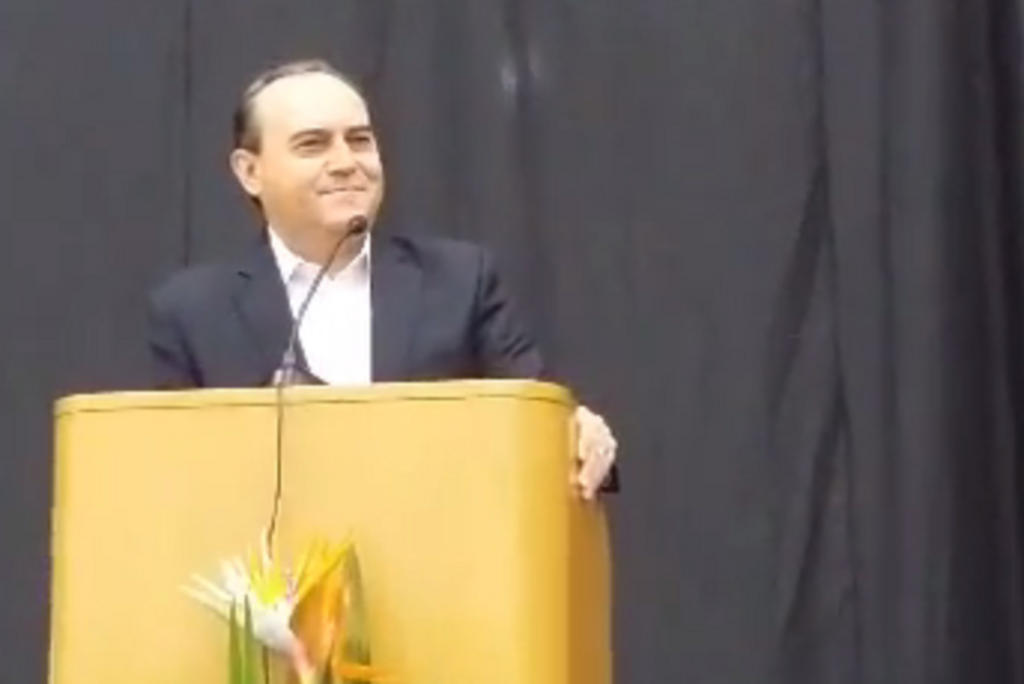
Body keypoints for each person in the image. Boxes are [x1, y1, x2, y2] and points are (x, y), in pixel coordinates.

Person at [147, 59, 616, 498]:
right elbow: (172, 483)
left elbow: (537, 426)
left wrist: (579, 436)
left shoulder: (459, 282)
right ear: (250, 172)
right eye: (313, 144)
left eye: (359, 140)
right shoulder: (193, 312)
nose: (345, 162)